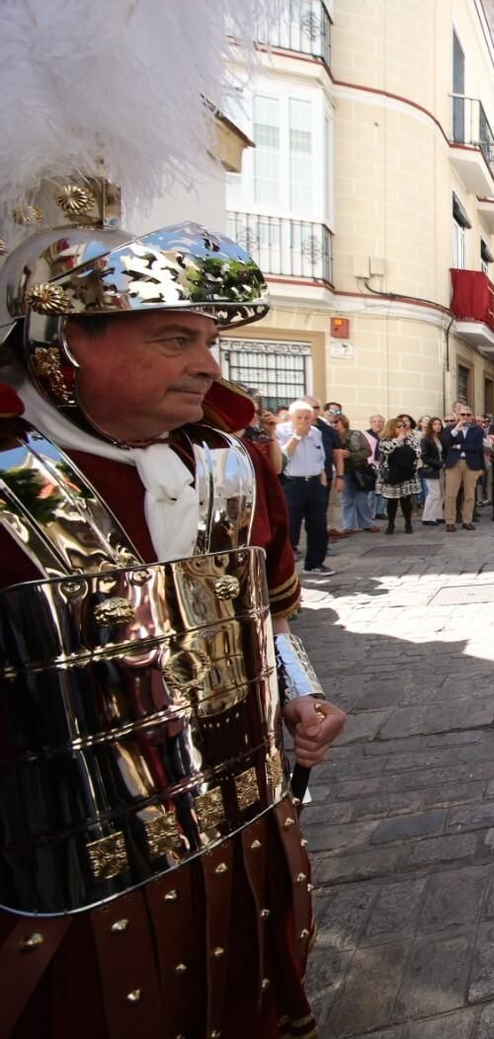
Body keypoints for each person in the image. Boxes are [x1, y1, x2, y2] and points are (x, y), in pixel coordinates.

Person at [0, 186, 348, 1036]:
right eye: (173, 340)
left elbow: (265, 614)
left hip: (243, 829)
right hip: (76, 885)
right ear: (62, 346)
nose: (208, 365)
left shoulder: (232, 465)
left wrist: (298, 691)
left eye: (209, 341)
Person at [280, 400, 338, 575]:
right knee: (290, 525)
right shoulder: (281, 431)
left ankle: (315, 563)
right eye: (299, 418)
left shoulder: (316, 432)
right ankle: (285, 567)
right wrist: (297, 436)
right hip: (292, 482)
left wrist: (320, 473)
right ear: (291, 417)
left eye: (307, 418)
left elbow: (320, 455)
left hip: (314, 482)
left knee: (318, 524)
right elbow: (283, 456)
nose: (304, 421)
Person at [442, 401, 485, 532]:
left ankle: (467, 520)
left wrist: (459, 446)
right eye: (462, 414)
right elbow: (446, 443)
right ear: (458, 415)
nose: (465, 417)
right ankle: (450, 521)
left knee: (470, 494)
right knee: (451, 494)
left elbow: (477, 447)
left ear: (472, 416)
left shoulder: (477, 429)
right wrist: (456, 430)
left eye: (468, 414)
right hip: (454, 463)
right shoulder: (450, 429)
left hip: (471, 464)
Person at [336, 412, 380, 534]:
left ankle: (367, 523)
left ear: (343, 422)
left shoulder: (356, 434)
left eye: (336, 422)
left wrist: (350, 455)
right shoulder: (332, 436)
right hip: (343, 471)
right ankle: (348, 525)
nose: (334, 425)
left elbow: (367, 451)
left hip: (359, 469)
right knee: (346, 498)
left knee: (362, 498)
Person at [376, 415, 421, 534]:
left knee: (406, 499)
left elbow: (417, 452)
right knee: (392, 501)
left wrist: (406, 440)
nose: (402, 428)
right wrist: (398, 440)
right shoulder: (385, 440)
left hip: (406, 473)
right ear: (392, 428)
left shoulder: (410, 439)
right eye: (398, 426)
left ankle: (408, 524)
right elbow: (386, 450)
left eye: (403, 426)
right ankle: (391, 524)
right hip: (392, 474)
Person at [419, 416, 446, 525]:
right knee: (434, 493)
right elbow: (425, 456)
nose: (437, 426)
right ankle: (427, 517)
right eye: (435, 424)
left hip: (440, 469)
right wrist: (440, 464)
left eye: (439, 424)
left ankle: (438, 515)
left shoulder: (439, 438)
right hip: (431, 469)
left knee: (441, 493)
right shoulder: (425, 439)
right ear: (431, 426)